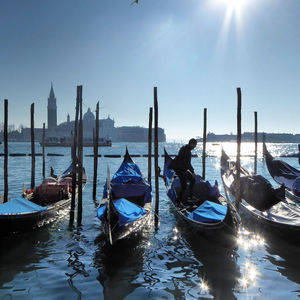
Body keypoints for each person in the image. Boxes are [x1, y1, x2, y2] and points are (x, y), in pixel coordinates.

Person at [169, 138, 198, 205]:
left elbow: (186, 163)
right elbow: (187, 163)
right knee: (184, 186)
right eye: (195, 145)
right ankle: (178, 202)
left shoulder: (185, 148)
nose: (195, 147)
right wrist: (193, 172)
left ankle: (190, 197)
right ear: (191, 144)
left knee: (192, 180)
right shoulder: (186, 151)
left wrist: (191, 171)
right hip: (180, 170)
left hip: (182, 169)